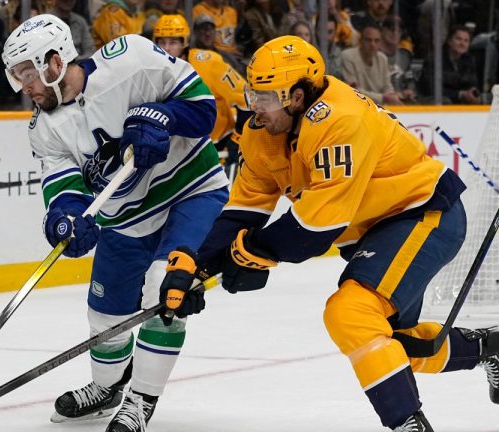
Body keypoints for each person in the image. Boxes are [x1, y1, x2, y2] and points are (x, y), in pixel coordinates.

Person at [158, 35, 499, 431]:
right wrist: (195, 264)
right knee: (398, 346)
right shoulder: (261, 131)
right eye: (253, 93)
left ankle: (408, 424)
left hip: (422, 214)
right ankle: (489, 347)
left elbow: (315, 227)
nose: (255, 106)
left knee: (350, 312)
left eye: (265, 97)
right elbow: (243, 210)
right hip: (377, 231)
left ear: (297, 96)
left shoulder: (340, 120)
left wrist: (251, 252)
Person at [2, 14, 229, 432]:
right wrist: (65, 220)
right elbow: (64, 187)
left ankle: (141, 400)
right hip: (126, 219)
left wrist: (162, 116)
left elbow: (203, 111)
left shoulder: (132, 60)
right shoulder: (44, 128)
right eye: (18, 78)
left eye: (28, 75)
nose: (25, 88)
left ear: (55, 62)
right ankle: (107, 388)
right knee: (104, 316)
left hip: (190, 193)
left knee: (163, 287)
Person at [152, 14, 250, 176]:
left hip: (219, 147)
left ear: (184, 42)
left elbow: (247, 98)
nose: (167, 48)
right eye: (162, 42)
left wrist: (238, 138)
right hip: (178, 152)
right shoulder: (152, 70)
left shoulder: (210, 63)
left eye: (173, 42)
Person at [341, 23, 404, 105]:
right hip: (355, 106)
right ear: (360, 40)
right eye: (368, 40)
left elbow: (387, 86)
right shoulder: (348, 56)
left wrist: (391, 95)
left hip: (379, 108)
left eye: (376, 41)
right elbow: (353, 91)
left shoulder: (382, 58)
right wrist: (384, 98)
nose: (372, 44)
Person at [419, 25, 481, 105]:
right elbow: (431, 89)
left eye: (466, 41)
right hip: (433, 101)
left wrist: (473, 93)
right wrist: (460, 94)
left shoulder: (469, 60)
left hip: (460, 100)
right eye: (458, 39)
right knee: (445, 101)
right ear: (449, 41)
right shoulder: (434, 59)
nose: (462, 43)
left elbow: (472, 83)